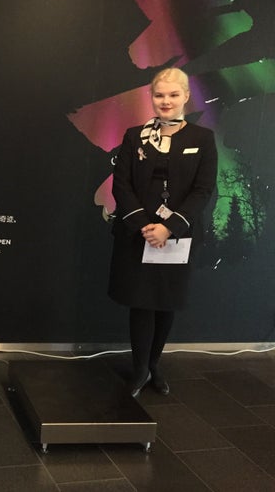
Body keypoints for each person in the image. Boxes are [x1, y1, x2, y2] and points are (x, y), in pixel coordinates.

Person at [108, 68, 218, 397]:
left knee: (166, 301)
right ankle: (139, 369)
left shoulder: (202, 139)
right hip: (138, 233)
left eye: (173, 95)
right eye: (159, 95)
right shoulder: (133, 136)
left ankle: (155, 363)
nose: (166, 101)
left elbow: (203, 190)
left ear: (186, 96)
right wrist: (146, 226)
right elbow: (122, 186)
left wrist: (168, 227)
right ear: (151, 98)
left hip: (178, 236)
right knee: (141, 302)